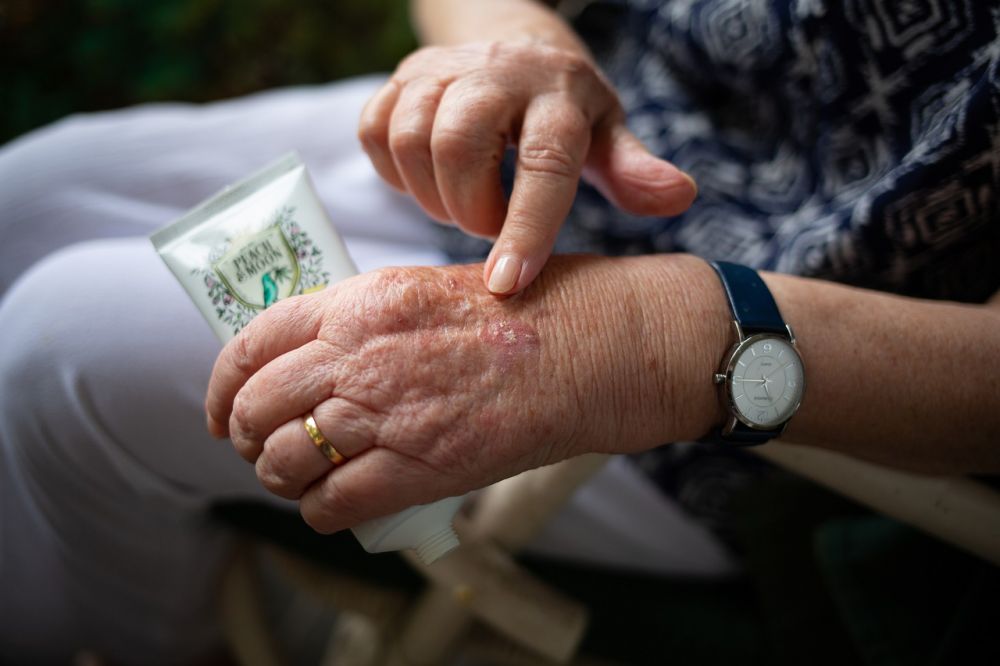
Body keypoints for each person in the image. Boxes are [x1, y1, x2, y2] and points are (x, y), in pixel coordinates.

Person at [1, 0, 998, 663]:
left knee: (66, 348)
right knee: (22, 200)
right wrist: (514, 46)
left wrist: (652, 338)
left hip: (747, 409)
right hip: (497, 159)